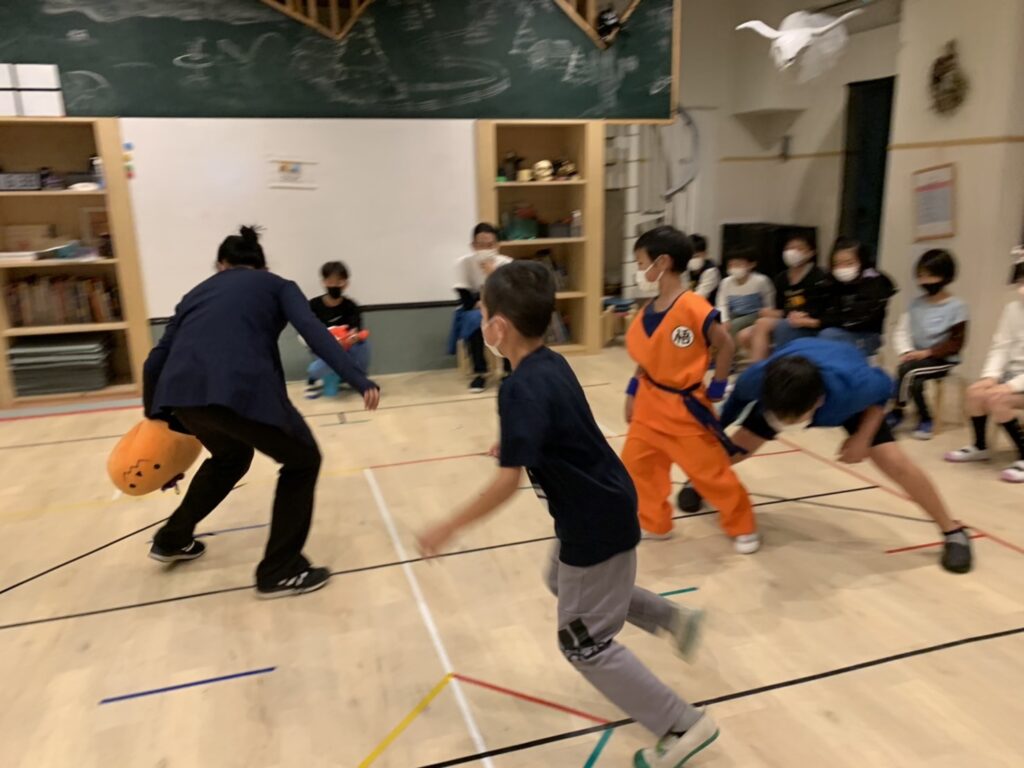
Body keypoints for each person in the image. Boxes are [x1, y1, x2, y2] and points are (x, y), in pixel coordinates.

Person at [418, 260, 719, 768]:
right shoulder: (550, 363)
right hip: (606, 502)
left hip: (591, 523)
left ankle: (683, 725)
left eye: (483, 313)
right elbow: (561, 427)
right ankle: (671, 618)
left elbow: (507, 484)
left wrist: (448, 526)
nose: (481, 321)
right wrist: (516, 443)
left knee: (584, 645)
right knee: (558, 578)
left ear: (498, 328)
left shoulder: (518, 387)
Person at [143, 226, 381, 598]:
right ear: (263, 265)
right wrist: (358, 378)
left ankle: (172, 539)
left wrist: (155, 421)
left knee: (231, 457)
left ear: (221, 265)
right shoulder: (277, 285)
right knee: (303, 461)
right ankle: (280, 570)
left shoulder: (196, 293)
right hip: (241, 391)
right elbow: (314, 331)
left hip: (182, 395)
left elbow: (155, 359)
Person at [688, 338, 971, 573]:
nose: (788, 425)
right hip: (794, 382)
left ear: (819, 403)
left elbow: (884, 389)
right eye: (782, 418)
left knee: (894, 462)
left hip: (849, 393)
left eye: (796, 419)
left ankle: (953, 531)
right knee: (738, 446)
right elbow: (733, 408)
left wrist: (862, 438)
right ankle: (698, 481)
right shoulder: (757, 379)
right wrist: (714, 437)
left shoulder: (856, 387)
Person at [623, 226, 760, 553]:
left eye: (641, 263)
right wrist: (631, 392)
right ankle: (654, 522)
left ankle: (742, 524)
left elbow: (725, 345)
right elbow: (645, 360)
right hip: (648, 404)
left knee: (709, 472)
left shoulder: (694, 307)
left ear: (663, 262)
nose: (639, 271)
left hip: (684, 408)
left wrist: (719, 383)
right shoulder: (648, 308)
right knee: (638, 467)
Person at [945, 252, 1024, 483]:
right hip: (1012, 377)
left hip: (1018, 382)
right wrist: (990, 377)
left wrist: (1010, 386)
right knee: (975, 392)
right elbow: (1001, 346)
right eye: (1020, 281)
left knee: (998, 400)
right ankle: (980, 446)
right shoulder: (1013, 309)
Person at [888, 249, 967, 440]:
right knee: (914, 379)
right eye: (921, 276)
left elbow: (956, 343)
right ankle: (925, 417)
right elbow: (902, 330)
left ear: (945, 276)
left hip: (943, 359)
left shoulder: (957, 307)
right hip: (917, 359)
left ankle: (898, 410)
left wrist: (927, 353)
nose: (925, 281)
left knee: (906, 370)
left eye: (930, 275)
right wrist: (907, 351)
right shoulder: (915, 304)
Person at [741, 235, 831, 362]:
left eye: (799, 248)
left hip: (806, 321)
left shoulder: (818, 276)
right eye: (789, 248)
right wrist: (773, 312)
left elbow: (815, 308)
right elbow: (779, 305)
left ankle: (758, 369)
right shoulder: (781, 278)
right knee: (744, 335)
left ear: (811, 252)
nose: (792, 252)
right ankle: (769, 363)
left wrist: (781, 313)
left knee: (762, 324)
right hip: (786, 319)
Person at [450, 222, 512, 392]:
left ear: (497, 245)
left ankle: (508, 371)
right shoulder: (463, 263)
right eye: (481, 245)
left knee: (507, 321)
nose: (485, 249)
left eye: (490, 245)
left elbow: (509, 294)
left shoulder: (506, 263)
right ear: (473, 245)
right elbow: (463, 295)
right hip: (474, 306)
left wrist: (492, 274)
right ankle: (480, 372)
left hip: (500, 306)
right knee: (474, 322)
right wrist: (480, 304)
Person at [818, 237, 896, 358]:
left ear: (862, 261)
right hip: (836, 329)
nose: (842, 268)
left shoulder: (875, 282)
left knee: (828, 335)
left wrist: (818, 322)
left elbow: (858, 319)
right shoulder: (831, 281)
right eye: (837, 264)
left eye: (849, 263)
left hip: (866, 335)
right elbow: (822, 307)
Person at [305, 260, 370, 399]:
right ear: (324, 282)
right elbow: (307, 331)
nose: (334, 285)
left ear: (345, 283)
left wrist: (351, 338)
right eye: (330, 281)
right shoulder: (313, 305)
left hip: (346, 348)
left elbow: (355, 330)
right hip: (324, 349)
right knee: (329, 391)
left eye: (339, 282)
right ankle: (315, 377)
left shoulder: (351, 306)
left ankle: (356, 377)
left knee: (363, 345)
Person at [715, 248, 776, 346]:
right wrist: (724, 320)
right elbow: (721, 304)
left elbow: (769, 303)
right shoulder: (725, 282)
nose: (734, 268)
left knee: (735, 325)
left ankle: (731, 350)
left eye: (738, 264)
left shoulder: (761, 281)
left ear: (751, 264)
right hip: (734, 314)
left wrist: (767, 315)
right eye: (731, 265)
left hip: (755, 315)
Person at [684, 233, 720, 304]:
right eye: (690, 257)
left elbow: (700, 296)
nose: (692, 259)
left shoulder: (711, 271)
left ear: (705, 254)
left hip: (708, 307)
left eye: (696, 256)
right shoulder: (686, 268)